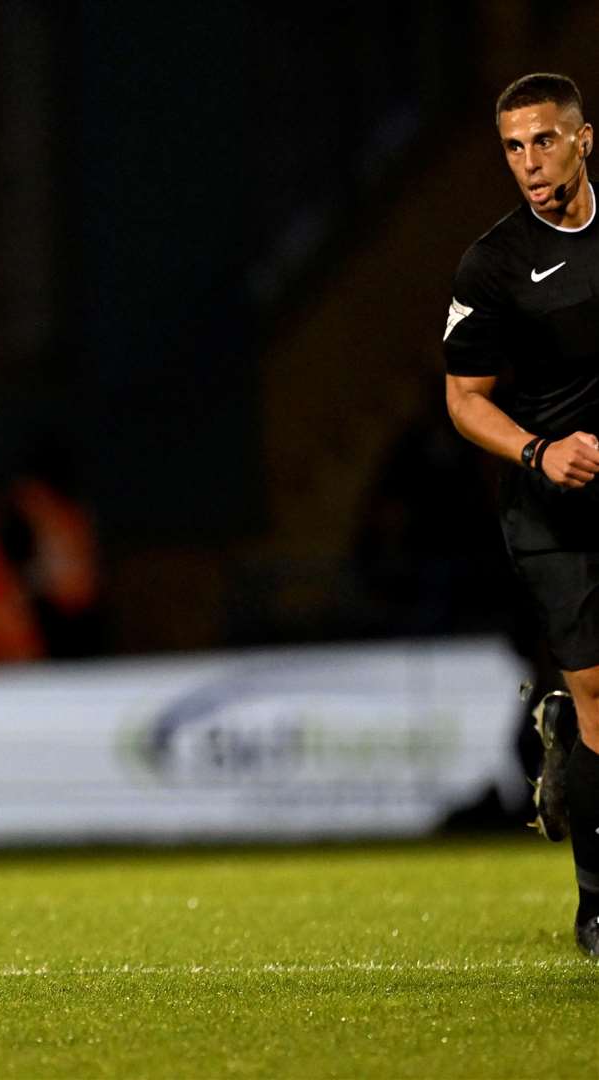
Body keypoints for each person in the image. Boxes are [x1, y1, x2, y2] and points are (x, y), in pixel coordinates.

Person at [443, 71, 598, 958]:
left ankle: (570, 744)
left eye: (544, 140)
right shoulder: (494, 264)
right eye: (513, 146)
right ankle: (597, 905)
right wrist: (540, 451)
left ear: (584, 139)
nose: (529, 162)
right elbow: (465, 400)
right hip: (553, 505)